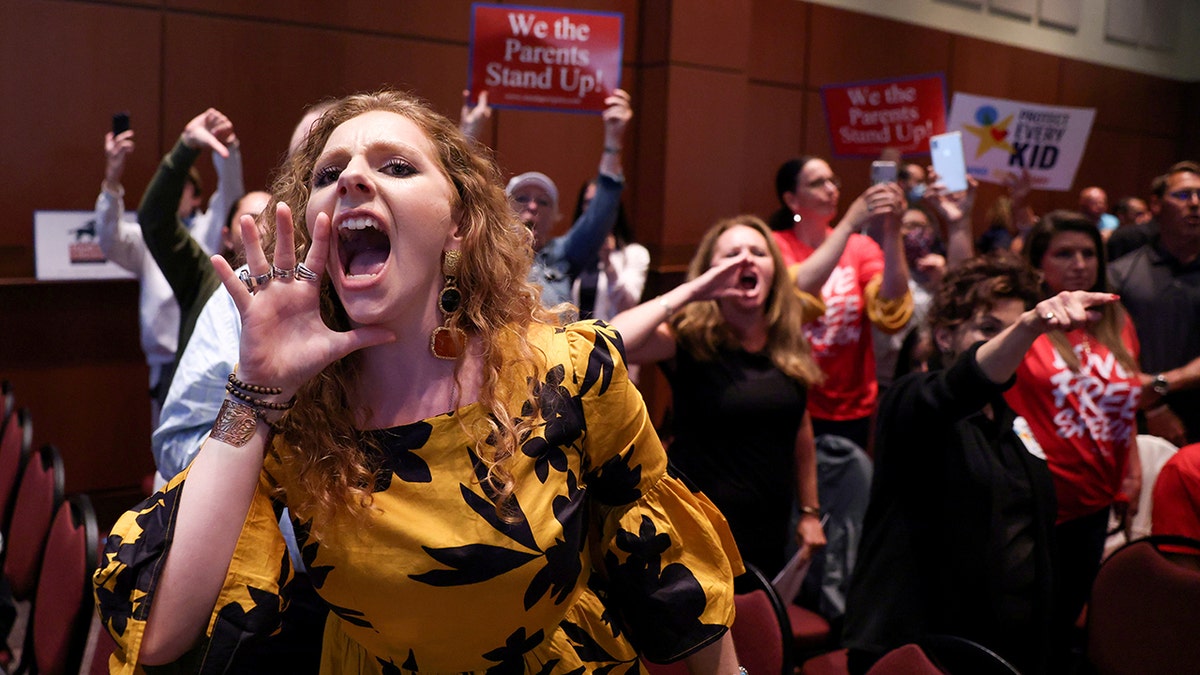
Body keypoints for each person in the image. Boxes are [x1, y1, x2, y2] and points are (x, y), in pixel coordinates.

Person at [95, 89, 743, 674]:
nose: (352, 177)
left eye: (396, 166)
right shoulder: (296, 414)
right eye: (328, 173)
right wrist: (255, 390)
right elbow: (162, 634)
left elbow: (671, 574)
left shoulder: (572, 371)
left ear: (458, 221)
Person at [842, 251, 1119, 675]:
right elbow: (962, 384)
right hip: (919, 647)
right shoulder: (912, 401)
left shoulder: (1011, 422)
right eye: (988, 330)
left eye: (1015, 332)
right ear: (945, 337)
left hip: (1001, 646)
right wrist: (1028, 325)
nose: (1008, 344)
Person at [611, 215, 826, 579]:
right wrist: (692, 292)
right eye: (732, 254)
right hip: (698, 530)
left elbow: (800, 431)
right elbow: (612, 339)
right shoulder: (688, 340)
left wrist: (810, 511)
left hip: (768, 529)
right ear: (710, 272)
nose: (746, 259)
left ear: (774, 268)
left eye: (758, 252)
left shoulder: (788, 343)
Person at [1003, 210, 1144, 666]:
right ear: (1039, 264)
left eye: (1088, 253)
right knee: (1022, 626)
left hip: (1095, 500)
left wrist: (1133, 469)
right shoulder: (1023, 321)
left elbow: (1123, 404)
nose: (1080, 263)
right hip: (1036, 502)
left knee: (1063, 623)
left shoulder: (1116, 321)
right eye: (1064, 253)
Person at [768, 156, 913, 450]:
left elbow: (891, 307)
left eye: (833, 181)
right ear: (792, 200)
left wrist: (893, 229)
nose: (831, 189)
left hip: (851, 402)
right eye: (818, 183)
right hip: (790, 396)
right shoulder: (774, 245)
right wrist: (849, 223)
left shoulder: (860, 248)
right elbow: (793, 294)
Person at [95, 125, 238, 424]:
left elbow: (231, 197)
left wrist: (228, 151)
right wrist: (112, 177)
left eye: (181, 185)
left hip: (210, 355)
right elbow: (109, 239)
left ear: (196, 197)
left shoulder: (208, 230)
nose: (170, 191)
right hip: (164, 362)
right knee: (169, 452)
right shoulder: (146, 238)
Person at [136, 108, 246, 404]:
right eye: (249, 217)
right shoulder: (203, 279)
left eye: (270, 216)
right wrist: (185, 147)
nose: (259, 227)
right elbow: (155, 221)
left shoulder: (295, 288)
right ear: (227, 236)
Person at [508, 89, 633, 310]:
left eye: (543, 202)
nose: (533, 206)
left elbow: (600, 213)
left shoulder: (563, 255)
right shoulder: (487, 254)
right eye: (521, 198)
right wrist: (470, 130)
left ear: (556, 217)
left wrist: (613, 139)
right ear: (504, 209)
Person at [1109, 161, 1200, 446]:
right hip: (1134, 415)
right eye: (1183, 195)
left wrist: (1165, 382)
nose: (1195, 204)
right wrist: (1154, 406)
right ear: (1156, 205)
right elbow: (1107, 348)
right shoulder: (1121, 273)